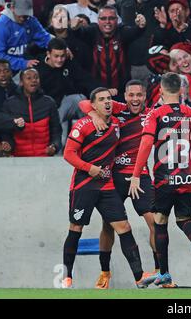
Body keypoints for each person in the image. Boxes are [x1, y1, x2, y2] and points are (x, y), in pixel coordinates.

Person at [128, 72, 191, 287]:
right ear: (182, 90)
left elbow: (145, 145)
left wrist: (136, 175)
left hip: (164, 179)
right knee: (184, 220)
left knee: (160, 222)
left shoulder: (155, 114)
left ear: (162, 90)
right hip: (187, 178)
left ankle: (164, 272)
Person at [61, 87, 152, 289]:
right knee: (76, 228)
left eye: (109, 99)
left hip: (107, 185)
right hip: (84, 185)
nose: (107, 102)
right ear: (93, 105)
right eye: (102, 100)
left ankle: (139, 277)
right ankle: (67, 277)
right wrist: (89, 168)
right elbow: (68, 154)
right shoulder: (83, 125)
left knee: (124, 227)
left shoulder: (117, 122)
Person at [71, 5, 147, 101]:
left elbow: (134, 32)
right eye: (103, 18)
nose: (107, 22)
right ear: (98, 20)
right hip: (96, 91)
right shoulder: (92, 32)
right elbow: (80, 33)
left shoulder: (122, 32)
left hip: (121, 92)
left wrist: (141, 27)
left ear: (117, 20)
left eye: (111, 18)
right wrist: (74, 28)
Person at [35, 38, 98, 147]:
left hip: (64, 105)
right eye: (56, 56)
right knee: (61, 141)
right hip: (47, 111)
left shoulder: (69, 64)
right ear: (48, 54)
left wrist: (101, 91)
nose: (60, 60)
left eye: (62, 56)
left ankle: (92, 137)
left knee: (81, 99)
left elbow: (85, 78)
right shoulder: (39, 70)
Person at [0, 68, 62, 157]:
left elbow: (56, 131)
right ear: (21, 82)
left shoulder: (49, 103)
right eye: (29, 78)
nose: (33, 80)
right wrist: (8, 145)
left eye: (36, 78)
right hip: (18, 159)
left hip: (44, 159)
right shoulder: (9, 104)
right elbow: (6, 132)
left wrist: (54, 146)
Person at [0, 0, 51, 79]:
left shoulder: (30, 20)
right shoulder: (1, 26)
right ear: (12, 7)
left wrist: (59, 46)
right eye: (20, 14)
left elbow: (45, 37)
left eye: (25, 14)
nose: (22, 18)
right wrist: (23, 63)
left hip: (16, 67)